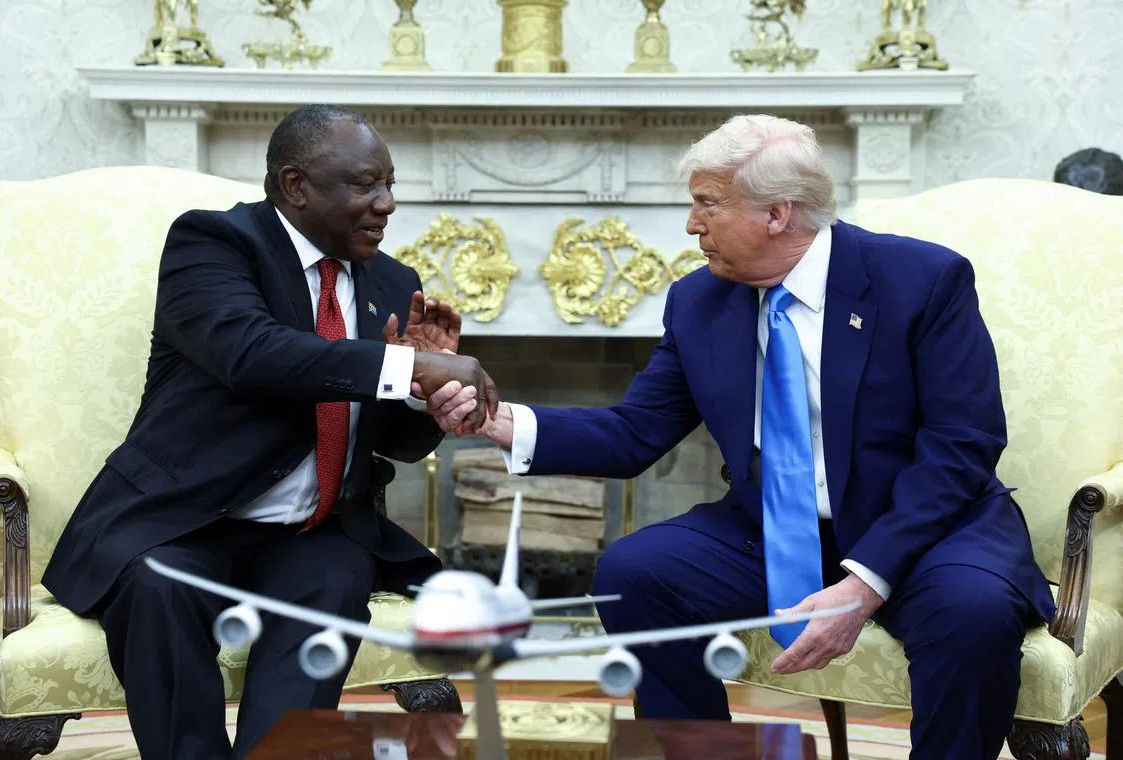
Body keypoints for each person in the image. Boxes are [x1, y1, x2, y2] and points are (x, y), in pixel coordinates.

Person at [423, 114, 1056, 760]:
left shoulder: (922, 282)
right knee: (636, 574)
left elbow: (962, 445)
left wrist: (864, 583)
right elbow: (633, 432)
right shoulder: (699, 302)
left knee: (973, 615)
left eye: (707, 204)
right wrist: (492, 419)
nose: (693, 224)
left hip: (925, 530)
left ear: (778, 214)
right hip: (770, 529)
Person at [40, 104, 496, 759]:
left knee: (335, 584)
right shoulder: (215, 245)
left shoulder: (394, 282)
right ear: (296, 185)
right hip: (184, 516)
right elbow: (250, 354)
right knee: (157, 588)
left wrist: (428, 399)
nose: (387, 203)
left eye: (390, 183)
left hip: (313, 532)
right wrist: (405, 363)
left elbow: (389, 439)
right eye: (366, 184)